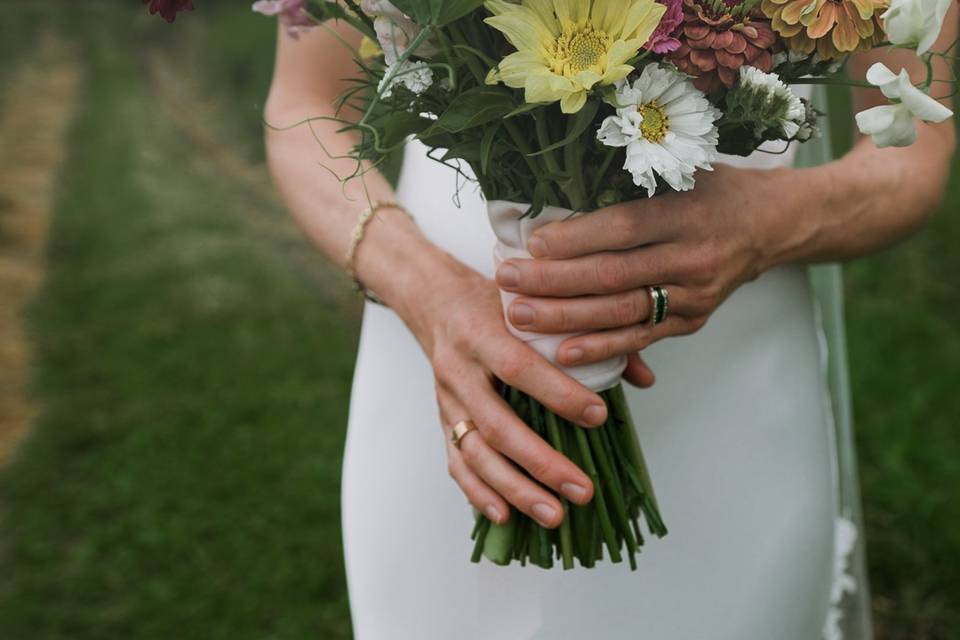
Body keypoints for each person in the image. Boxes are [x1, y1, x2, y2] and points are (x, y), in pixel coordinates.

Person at [262, 9, 957, 639]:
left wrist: (762, 224)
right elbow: (303, 103)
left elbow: (911, 158)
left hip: (727, 395)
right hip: (442, 376)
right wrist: (428, 292)